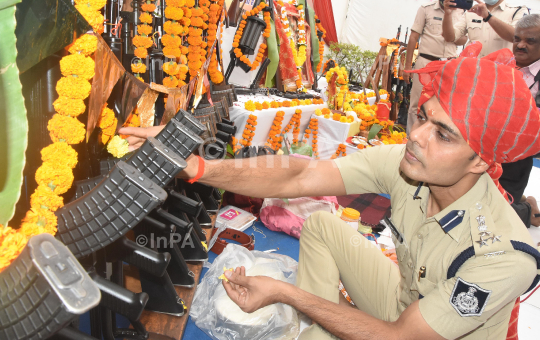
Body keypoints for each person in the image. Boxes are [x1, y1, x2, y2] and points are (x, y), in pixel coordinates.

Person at [120, 43, 540, 339]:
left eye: (444, 135)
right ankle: (313, 333)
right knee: (321, 224)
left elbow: (402, 336)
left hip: (418, 333)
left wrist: (287, 294)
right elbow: (297, 177)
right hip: (403, 298)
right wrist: (198, 166)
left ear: (482, 162)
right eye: (424, 117)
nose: (417, 137)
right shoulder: (408, 165)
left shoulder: (504, 254)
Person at [404, 0, 467, 134]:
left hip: (449, 66)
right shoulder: (426, 9)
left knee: (442, 106)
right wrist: (406, 67)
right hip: (426, 63)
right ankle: (410, 138)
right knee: (417, 104)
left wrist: (450, 30)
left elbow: (463, 40)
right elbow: (413, 37)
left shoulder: (463, 13)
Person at [500, 14, 540, 227]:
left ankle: (529, 212)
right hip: (487, 149)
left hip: (518, 156)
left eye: (530, 41)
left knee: (496, 217)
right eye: (517, 39)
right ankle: (520, 200)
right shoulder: (502, 65)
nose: (520, 45)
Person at [442, 0, 528, 58]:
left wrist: (488, 16)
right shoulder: (472, 12)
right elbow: (450, 38)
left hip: (499, 69)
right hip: (472, 68)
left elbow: (515, 37)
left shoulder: (517, 11)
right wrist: (447, 14)